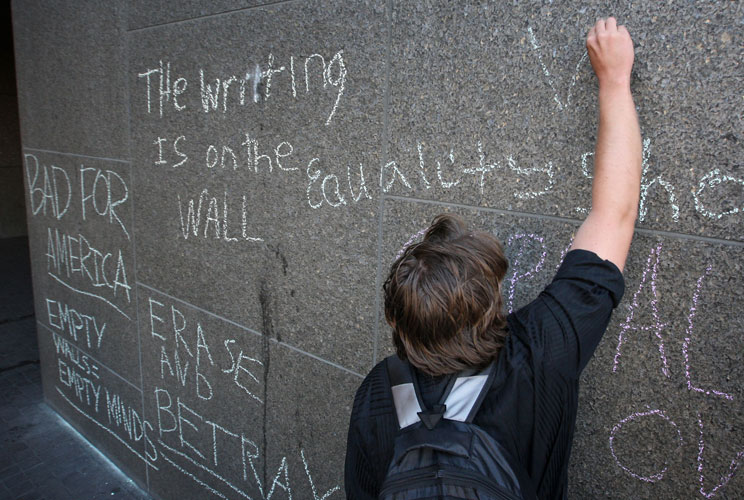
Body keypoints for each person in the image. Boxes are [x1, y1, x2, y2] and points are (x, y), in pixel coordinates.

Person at [345, 17, 641, 500]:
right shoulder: (538, 353)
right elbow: (614, 215)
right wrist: (614, 80)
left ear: (398, 324)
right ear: (495, 303)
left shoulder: (378, 393)